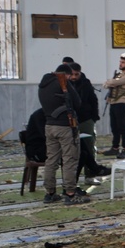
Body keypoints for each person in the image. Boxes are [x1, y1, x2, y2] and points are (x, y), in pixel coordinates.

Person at [38, 64, 91, 205]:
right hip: (65, 126)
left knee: (51, 160)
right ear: (67, 74)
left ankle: (50, 193)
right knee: (69, 160)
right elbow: (77, 102)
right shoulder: (62, 82)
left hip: (49, 125)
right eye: (70, 76)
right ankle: (70, 194)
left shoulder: (43, 84)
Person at [68, 62, 109, 184]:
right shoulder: (65, 84)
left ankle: (90, 175)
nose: (74, 77)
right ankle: (70, 179)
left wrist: (93, 117)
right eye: (72, 74)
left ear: (80, 73)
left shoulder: (86, 83)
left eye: (76, 74)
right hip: (69, 121)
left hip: (85, 119)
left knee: (89, 146)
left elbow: (93, 100)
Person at [102, 53, 125, 157]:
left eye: (123, 62)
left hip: (121, 103)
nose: (120, 64)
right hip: (113, 103)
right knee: (114, 127)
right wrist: (110, 82)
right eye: (120, 62)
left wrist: (110, 82)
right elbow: (105, 84)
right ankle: (115, 148)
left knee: (122, 126)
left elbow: (112, 83)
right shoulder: (119, 75)